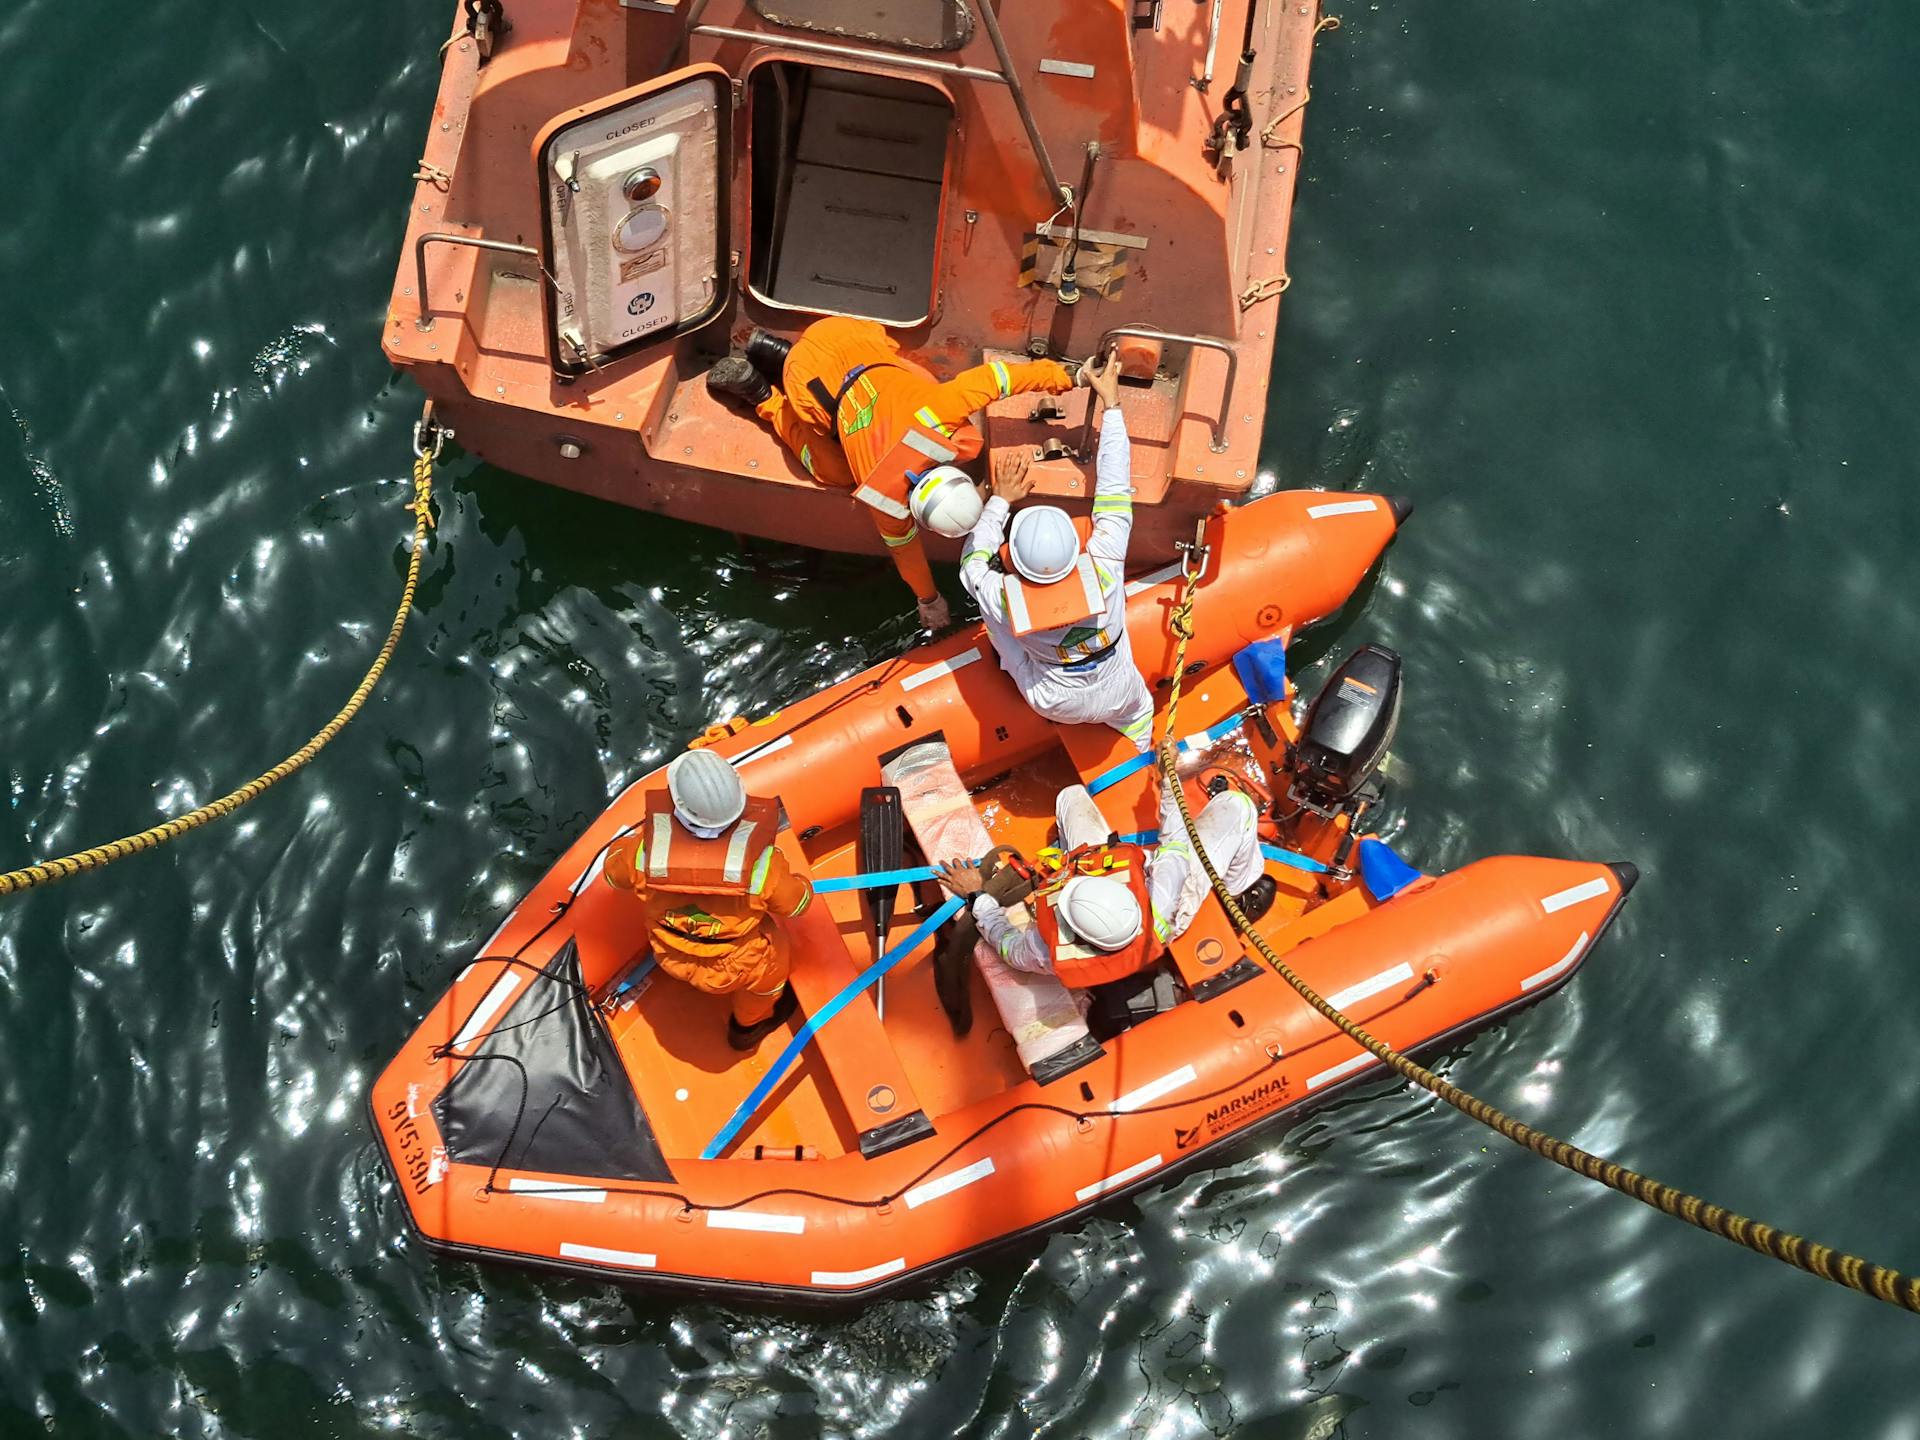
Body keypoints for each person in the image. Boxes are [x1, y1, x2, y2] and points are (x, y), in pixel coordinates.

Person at [706, 318, 1078, 630]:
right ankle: (763, 395)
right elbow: (907, 556)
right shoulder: (882, 498)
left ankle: (775, 351)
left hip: (841, 336)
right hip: (807, 376)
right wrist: (929, 601)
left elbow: (998, 379)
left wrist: (1066, 376)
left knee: (908, 380)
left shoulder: (939, 409)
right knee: (828, 469)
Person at [958, 351, 1156, 753]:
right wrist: (1112, 405)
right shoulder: (1104, 564)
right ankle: (1139, 741)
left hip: (1053, 701)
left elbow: (971, 563)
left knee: (992, 616)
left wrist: (1000, 500)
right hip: (1122, 692)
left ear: (1013, 557)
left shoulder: (1002, 597)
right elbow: (1115, 488)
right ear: (1074, 547)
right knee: (1140, 712)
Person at [934, 773, 1275, 984]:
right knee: (1237, 806)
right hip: (1176, 910)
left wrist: (978, 895)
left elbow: (1006, 943)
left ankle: (1230, 893)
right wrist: (1168, 781)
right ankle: (1236, 885)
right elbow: (1175, 843)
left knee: (1070, 797)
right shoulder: (1164, 895)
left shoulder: (1044, 949)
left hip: (1150, 902)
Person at [602, 747, 814, 1050]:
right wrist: (802, 884)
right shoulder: (761, 866)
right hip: (735, 967)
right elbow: (798, 904)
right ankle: (747, 1030)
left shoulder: (643, 853)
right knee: (765, 984)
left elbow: (612, 874)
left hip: (669, 955)